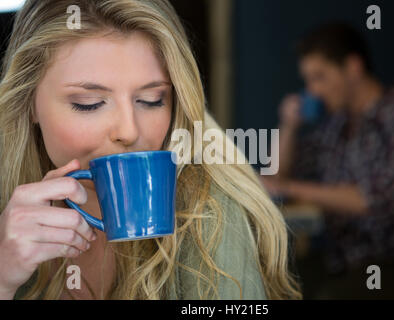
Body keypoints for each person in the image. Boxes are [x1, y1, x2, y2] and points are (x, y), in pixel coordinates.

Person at [0, 0, 301, 300]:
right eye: (88, 104)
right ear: (29, 104)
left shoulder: (209, 216)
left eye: (152, 99)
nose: (129, 131)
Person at [261, 22, 394, 299]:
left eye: (319, 77)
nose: (312, 91)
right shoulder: (336, 125)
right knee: (266, 282)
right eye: (308, 80)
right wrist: (289, 126)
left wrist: (291, 188)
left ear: (353, 67)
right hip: (340, 259)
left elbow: (377, 199)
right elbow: (278, 174)